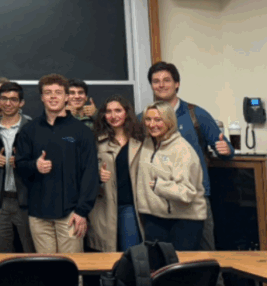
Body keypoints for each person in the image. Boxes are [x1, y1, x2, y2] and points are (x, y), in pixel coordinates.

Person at [148, 61, 233, 254]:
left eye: (166, 80)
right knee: (168, 258)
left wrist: (225, 149)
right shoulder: (146, 118)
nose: (161, 85)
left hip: (195, 197)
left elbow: (223, 146)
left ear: (176, 84)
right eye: (156, 81)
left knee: (204, 255)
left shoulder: (196, 114)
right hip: (161, 200)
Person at [15, 73, 99, 254]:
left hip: (71, 214)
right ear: (42, 98)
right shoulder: (29, 130)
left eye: (58, 92)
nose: (53, 96)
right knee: (47, 270)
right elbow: (20, 166)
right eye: (48, 92)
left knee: (72, 271)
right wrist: (34, 166)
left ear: (67, 97)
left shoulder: (81, 131)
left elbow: (90, 174)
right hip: (38, 215)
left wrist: (82, 211)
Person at [135, 101, 207, 251]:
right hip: (153, 218)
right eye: (148, 119)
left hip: (184, 221)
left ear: (169, 121)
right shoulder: (147, 144)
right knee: (156, 269)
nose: (152, 124)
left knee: (181, 270)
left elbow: (187, 192)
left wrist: (159, 187)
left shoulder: (183, 150)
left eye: (158, 120)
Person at [87, 95, 143, 253]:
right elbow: (83, 172)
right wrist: (97, 175)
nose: (113, 116)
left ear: (127, 113)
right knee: (107, 257)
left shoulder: (141, 139)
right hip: (105, 205)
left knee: (131, 255)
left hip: (131, 205)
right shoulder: (96, 140)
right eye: (108, 111)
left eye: (118, 110)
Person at [0, 81, 34, 254]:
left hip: (25, 200)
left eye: (13, 99)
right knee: (2, 252)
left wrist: (23, 162)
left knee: (31, 250)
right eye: (4, 99)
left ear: (21, 103)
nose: (8, 103)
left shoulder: (31, 127)